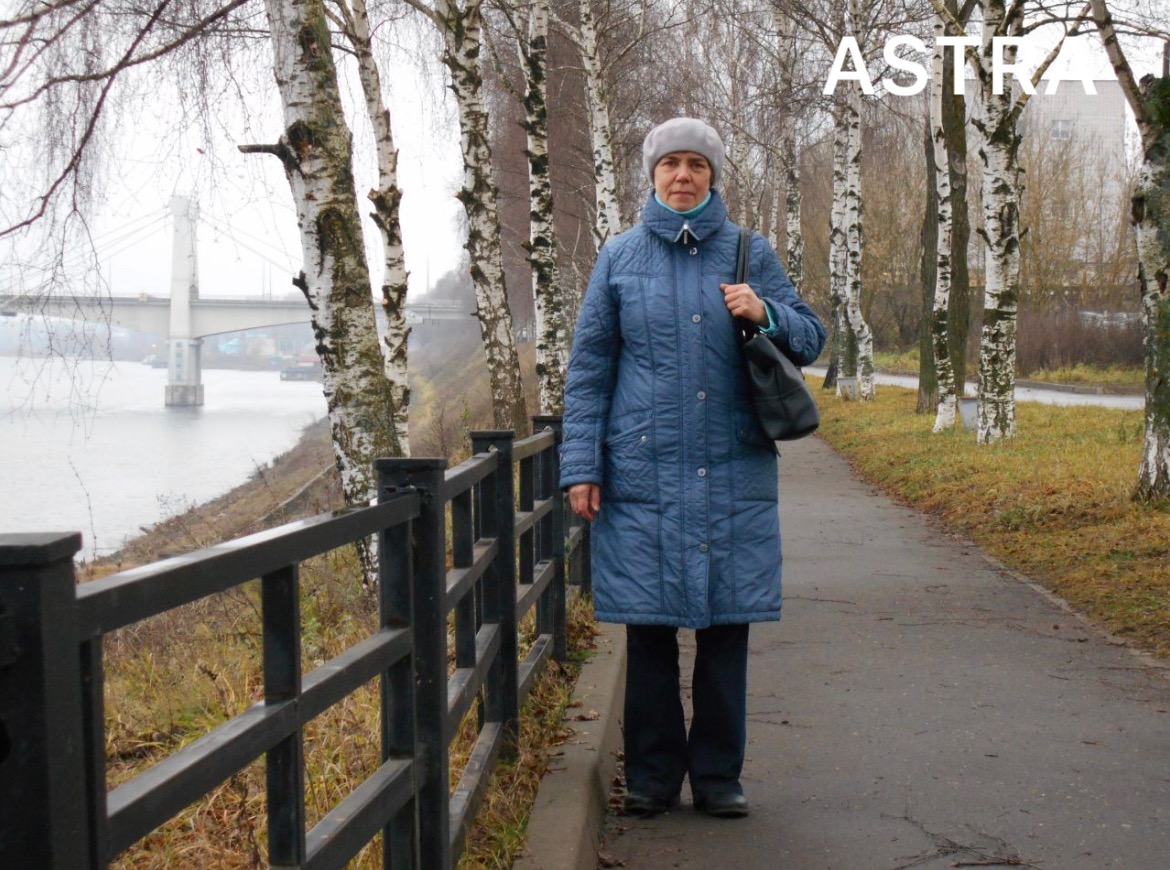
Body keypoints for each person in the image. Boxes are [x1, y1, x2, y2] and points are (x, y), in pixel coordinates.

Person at [559, 117, 826, 819]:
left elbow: (811, 338)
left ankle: (717, 777)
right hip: (641, 475)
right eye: (671, 164)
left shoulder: (749, 252)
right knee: (647, 629)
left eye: (696, 166)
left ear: (713, 177)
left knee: (724, 626)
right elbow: (589, 372)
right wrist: (580, 467)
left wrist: (765, 311)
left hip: (731, 466)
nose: (683, 176)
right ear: (652, 175)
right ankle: (649, 777)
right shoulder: (619, 259)